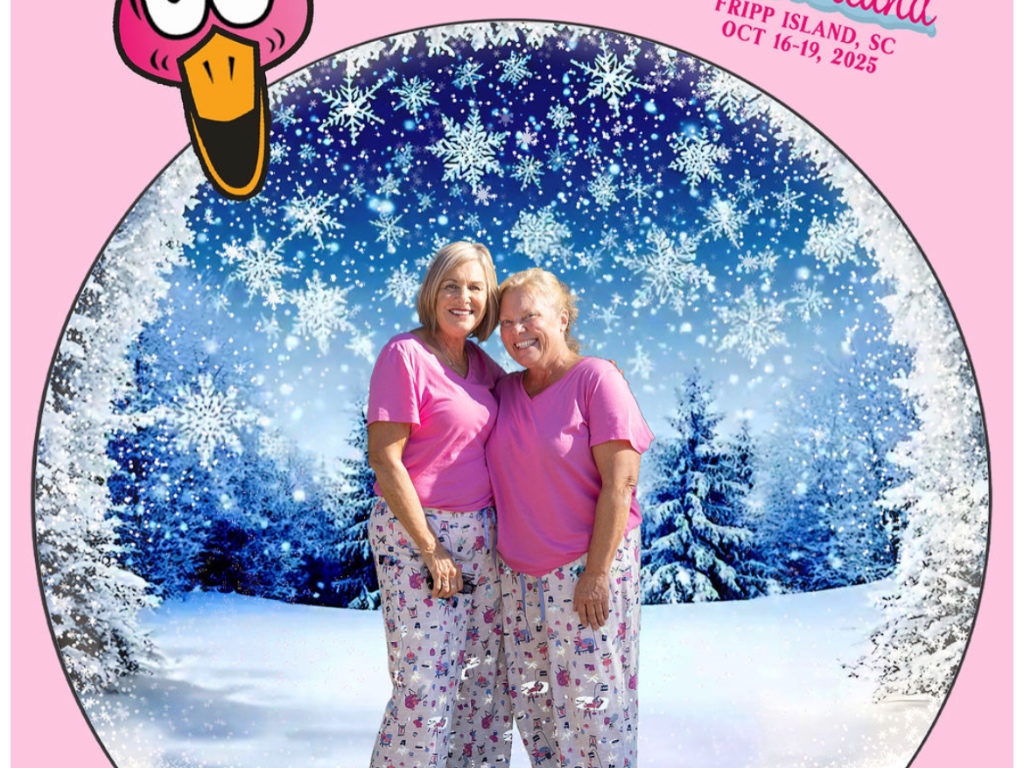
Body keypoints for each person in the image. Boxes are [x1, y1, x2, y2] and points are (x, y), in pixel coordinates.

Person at [486, 268, 653, 768]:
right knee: (537, 717)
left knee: (595, 716)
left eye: (529, 317)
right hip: (518, 581)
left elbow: (621, 484)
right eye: (506, 323)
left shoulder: (596, 379)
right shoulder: (504, 390)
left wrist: (596, 573)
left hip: (585, 571)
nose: (517, 332)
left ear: (562, 318)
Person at [366, 242, 512, 768]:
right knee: (424, 691)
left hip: (482, 540)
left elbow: (540, 396)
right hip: (419, 538)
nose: (463, 297)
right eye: (452, 285)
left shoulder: (486, 368)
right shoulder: (404, 355)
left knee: (483, 690)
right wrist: (431, 548)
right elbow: (385, 460)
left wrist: (593, 371)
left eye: (475, 288)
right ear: (432, 292)